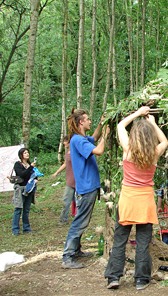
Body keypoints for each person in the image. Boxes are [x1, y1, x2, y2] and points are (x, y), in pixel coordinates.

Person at [104, 107, 168, 291]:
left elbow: (120, 125)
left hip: (127, 201)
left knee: (120, 240)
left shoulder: (128, 150)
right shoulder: (155, 152)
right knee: (142, 242)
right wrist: (153, 124)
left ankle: (113, 277)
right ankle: (141, 279)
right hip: (145, 202)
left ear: (134, 136)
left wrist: (138, 113)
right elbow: (164, 140)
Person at [61, 110, 110, 269]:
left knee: (82, 220)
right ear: (81, 122)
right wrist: (106, 135)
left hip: (89, 187)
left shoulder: (80, 139)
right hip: (86, 187)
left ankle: (76, 250)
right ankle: (67, 256)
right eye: (88, 119)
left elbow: (94, 138)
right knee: (80, 221)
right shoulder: (77, 140)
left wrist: (101, 125)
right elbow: (99, 150)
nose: (90, 121)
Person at [11, 148, 37, 236]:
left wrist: (36, 179)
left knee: (26, 209)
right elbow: (21, 174)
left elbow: (33, 174)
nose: (27, 154)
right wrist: (30, 167)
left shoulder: (30, 164)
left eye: (27, 152)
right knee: (18, 208)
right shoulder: (18, 164)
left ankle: (26, 228)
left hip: (29, 188)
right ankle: (15, 229)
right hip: (20, 188)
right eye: (25, 153)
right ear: (21, 155)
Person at [52, 135, 77, 226]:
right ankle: (64, 219)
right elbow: (65, 163)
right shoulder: (68, 152)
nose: (63, 143)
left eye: (65, 141)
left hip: (76, 180)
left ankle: (64, 219)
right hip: (70, 180)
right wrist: (56, 172)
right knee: (68, 200)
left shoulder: (75, 151)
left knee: (70, 200)